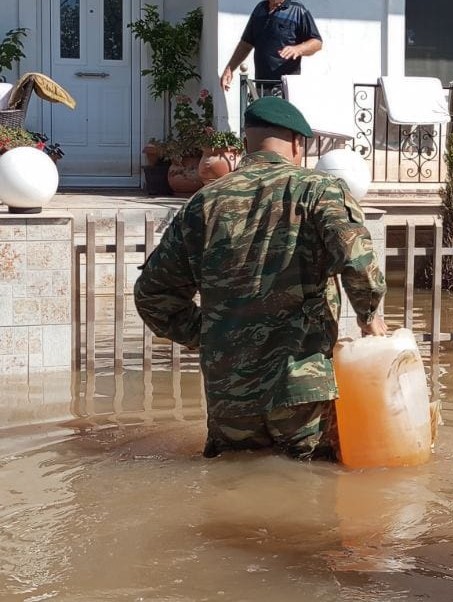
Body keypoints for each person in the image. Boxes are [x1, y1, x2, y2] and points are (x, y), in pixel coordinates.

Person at [134, 97, 388, 461]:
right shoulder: (318, 190)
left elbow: (151, 294)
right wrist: (369, 316)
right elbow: (358, 263)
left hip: (229, 396)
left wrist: (207, 335)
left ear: (245, 145)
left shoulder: (204, 203)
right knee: (312, 495)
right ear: (298, 144)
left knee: (233, 492)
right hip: (301, 388)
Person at [220, 0, 323, 95]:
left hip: (285, 87)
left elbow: (317, 42)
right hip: (261, 85)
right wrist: (229, 69)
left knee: (281, 115)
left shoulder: (297, 11)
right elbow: (246, 44)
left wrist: (298, 49)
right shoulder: (260, 9)